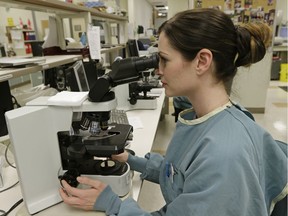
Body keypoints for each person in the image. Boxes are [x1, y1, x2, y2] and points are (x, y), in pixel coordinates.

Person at [59, 8, 287, 215]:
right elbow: (181, 175)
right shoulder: (205, 118)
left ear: (202, 61)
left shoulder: (224, 155)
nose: (158, 70)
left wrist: (112, 204)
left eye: (164, 60)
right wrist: (133, 160)